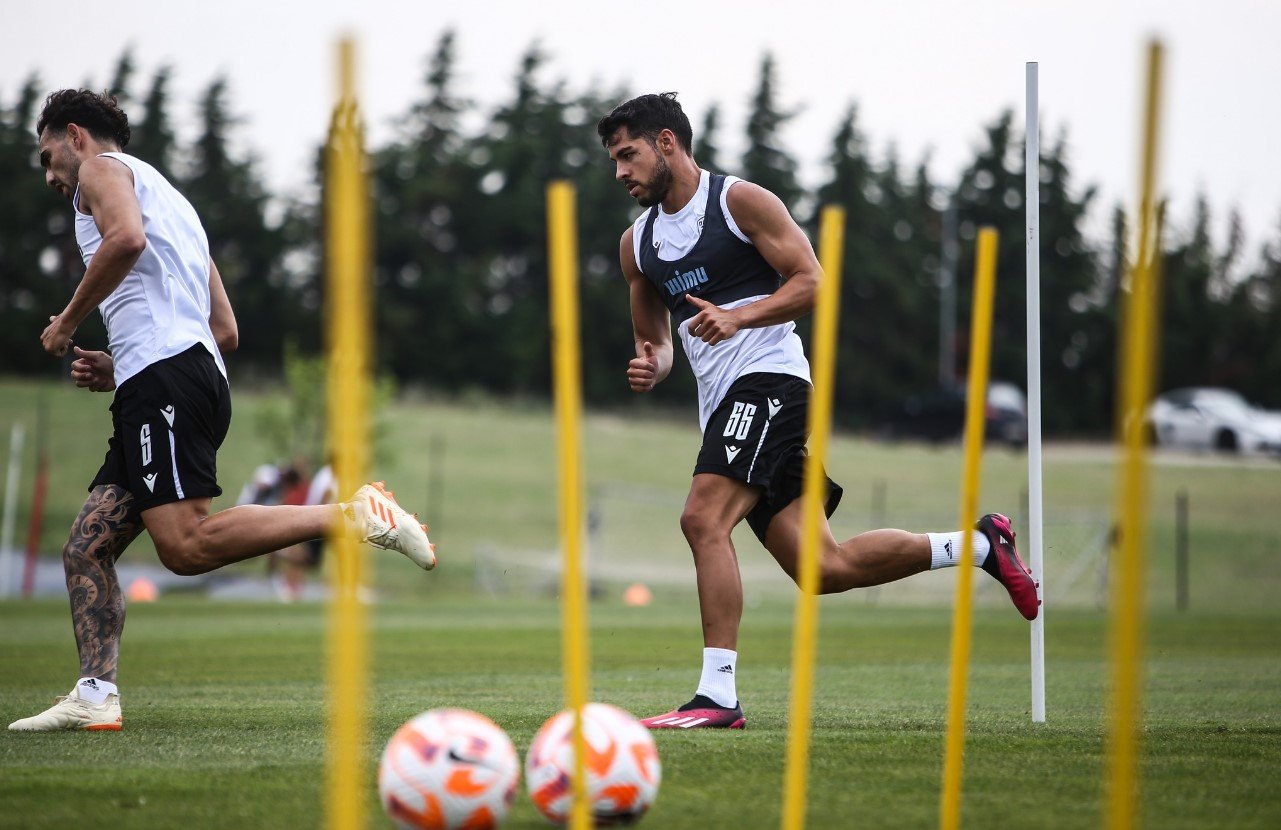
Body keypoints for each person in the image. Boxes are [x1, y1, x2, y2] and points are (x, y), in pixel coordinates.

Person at [596, 93, 1039, 730]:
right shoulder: (636, 246)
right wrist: (653, 366)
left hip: (772, 382)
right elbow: (658, 343)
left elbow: (812, 281)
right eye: (615, 160)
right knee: (824, 569)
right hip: (725, 406)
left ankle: (716, 696)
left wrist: (741, 316)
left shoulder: (740, 202)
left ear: (667, 143)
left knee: (702, 519)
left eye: (628, 154)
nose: (620, 172)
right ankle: (980, 545)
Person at [9, 90, 436, 733]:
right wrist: (123, 366)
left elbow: (124, 239)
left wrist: (68, 321)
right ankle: (95, 694)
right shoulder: (177, 205)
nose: (49, 176)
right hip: (178, 376)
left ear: (76, 135)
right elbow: (225, 331)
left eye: (47, 157)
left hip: (164, 383)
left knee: (184, 547)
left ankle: (355, 515)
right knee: (86, 547)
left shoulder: (99, 170)